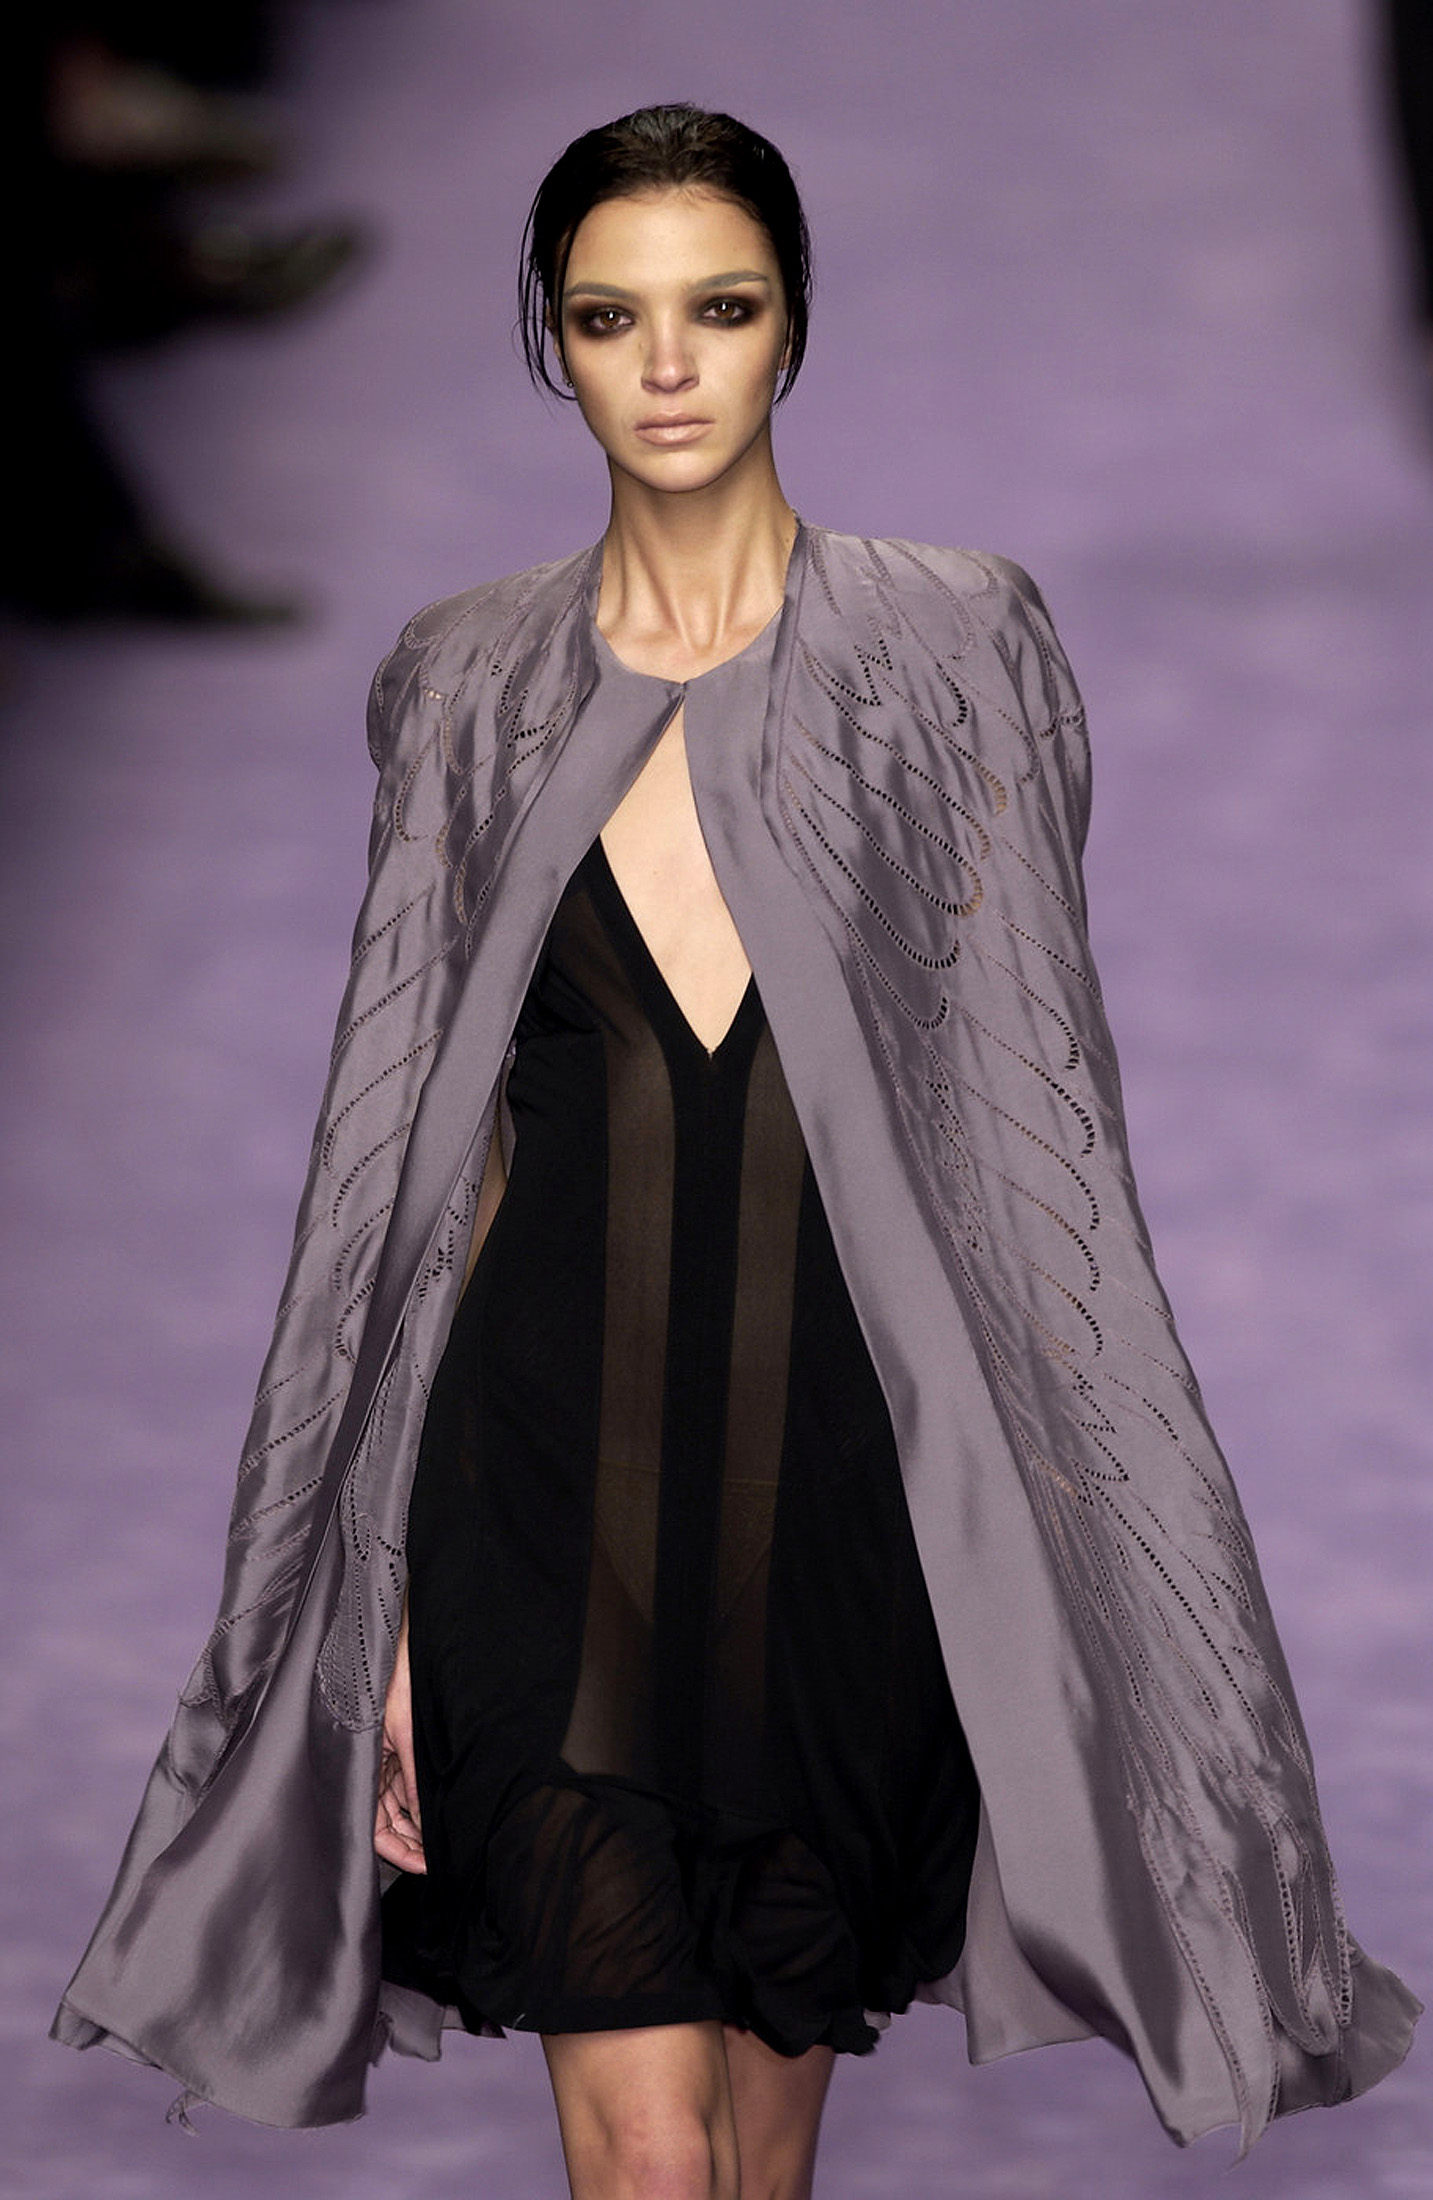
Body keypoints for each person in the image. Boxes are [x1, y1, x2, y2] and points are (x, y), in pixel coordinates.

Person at [52, 104, 1418, 2200]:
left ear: (794, 329)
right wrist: (369, 1602)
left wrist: (1074, 1579)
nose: (670, 365)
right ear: (552, 342)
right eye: (611, 318)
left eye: (722, 308)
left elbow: (1037, 1145)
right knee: (650, 2152)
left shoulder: (954, 649)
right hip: (529, 1508)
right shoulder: (462, 683)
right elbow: (397, 1180)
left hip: (841, 1526)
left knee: (755, 2164)